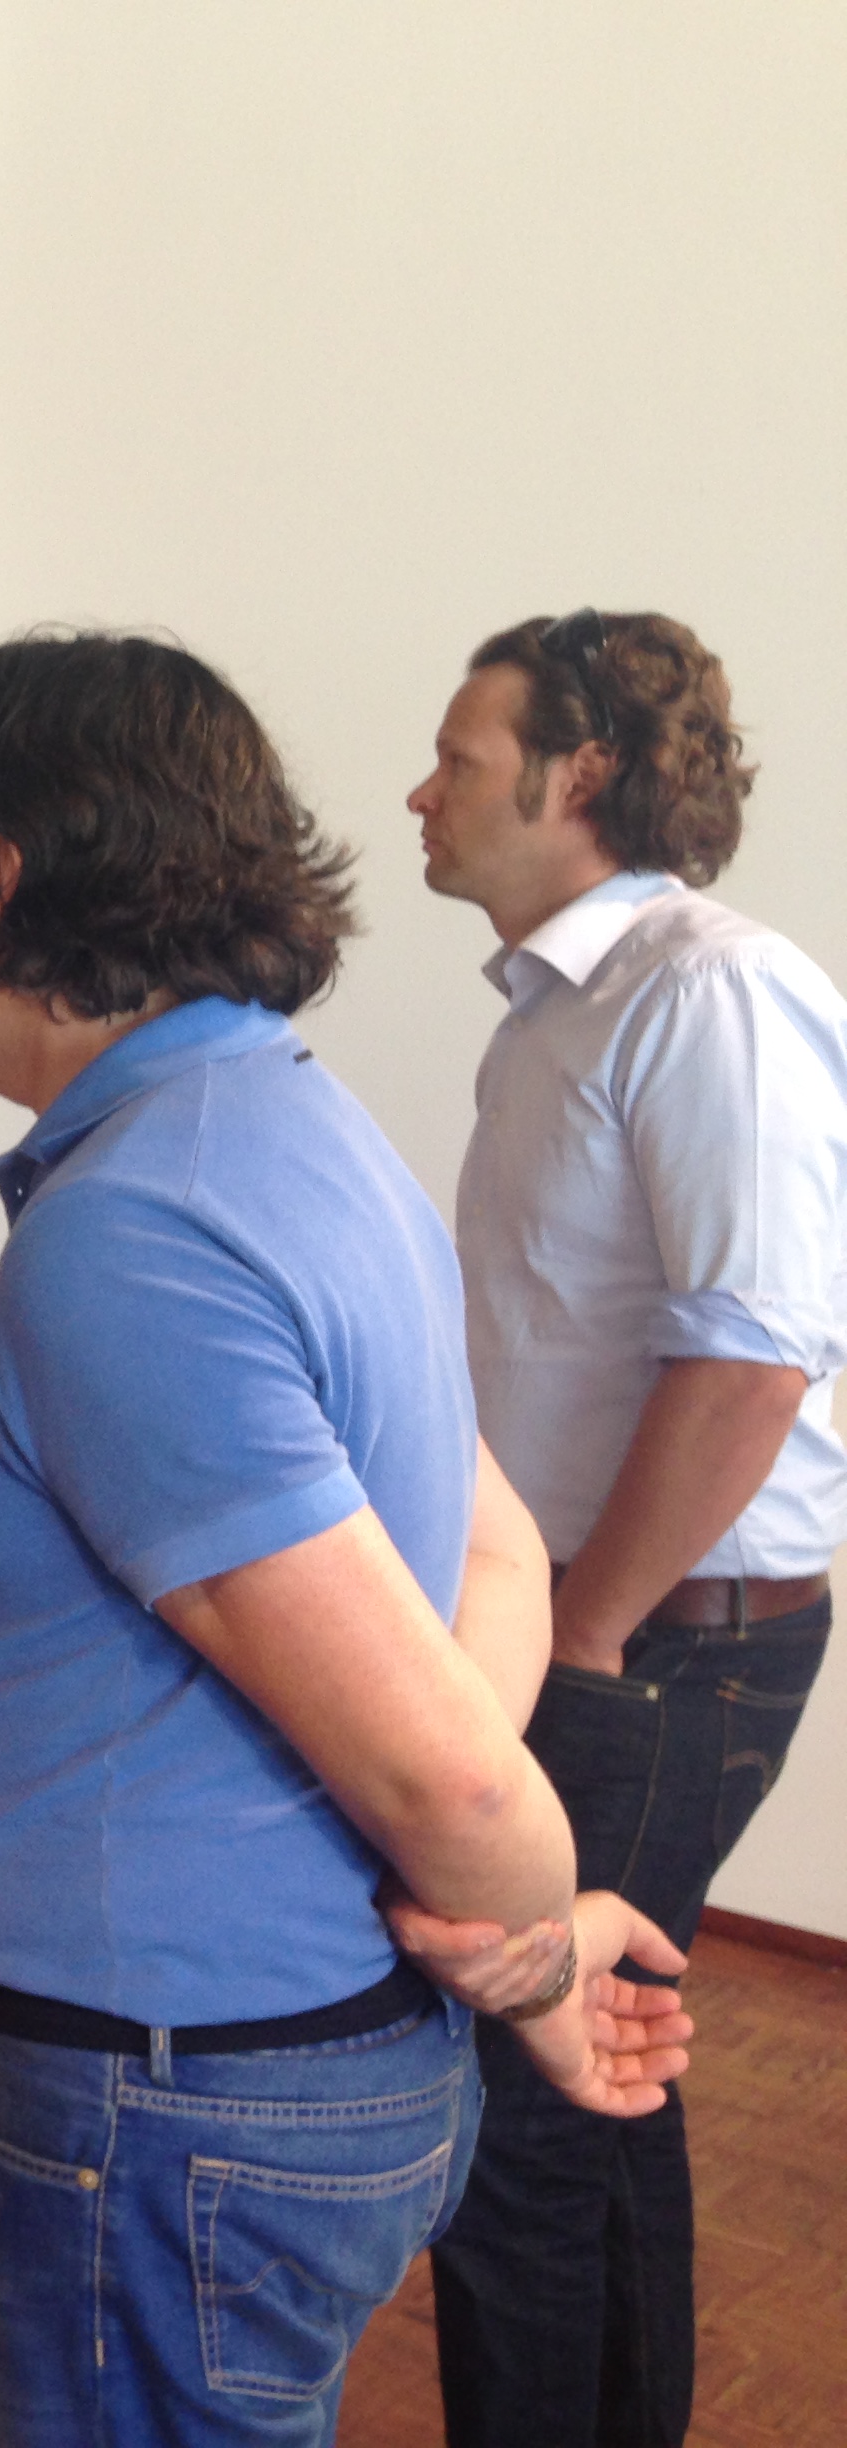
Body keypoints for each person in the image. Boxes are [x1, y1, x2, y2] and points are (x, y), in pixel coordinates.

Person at [0, 633, 692, 2446]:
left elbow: (452, 1777)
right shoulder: (292, 1125)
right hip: (266, 2081)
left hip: (166, 2120)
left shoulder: (136, 1227)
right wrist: (485, 1902)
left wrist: (529, 1944)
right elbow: (492, 1560)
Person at [404, 612, 845, 2447]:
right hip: (609, 1626)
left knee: (522, 2100)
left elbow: (752, 1359)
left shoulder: (703, 992)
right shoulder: (557, 1012)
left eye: (454, 756)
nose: (418, 792)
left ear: (575, 773)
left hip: (662, 1641)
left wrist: (579, 1633)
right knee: (594, 2071)